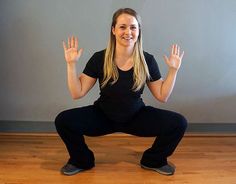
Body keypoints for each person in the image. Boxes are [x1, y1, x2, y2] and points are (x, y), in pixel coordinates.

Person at [55, 8, 187, 176]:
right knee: (63, 120)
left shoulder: (147, 60)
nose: (128, 32)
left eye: (133, 27)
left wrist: (173, 71)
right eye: (123, 27)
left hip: (136, 116)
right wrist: (71, 64)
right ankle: (82, 160)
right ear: (114, 30)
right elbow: (77, 93)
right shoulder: (99, 58)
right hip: (103, 116)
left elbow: (162, 95)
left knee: (179, 123)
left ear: (139, 31)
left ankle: (153, 160)